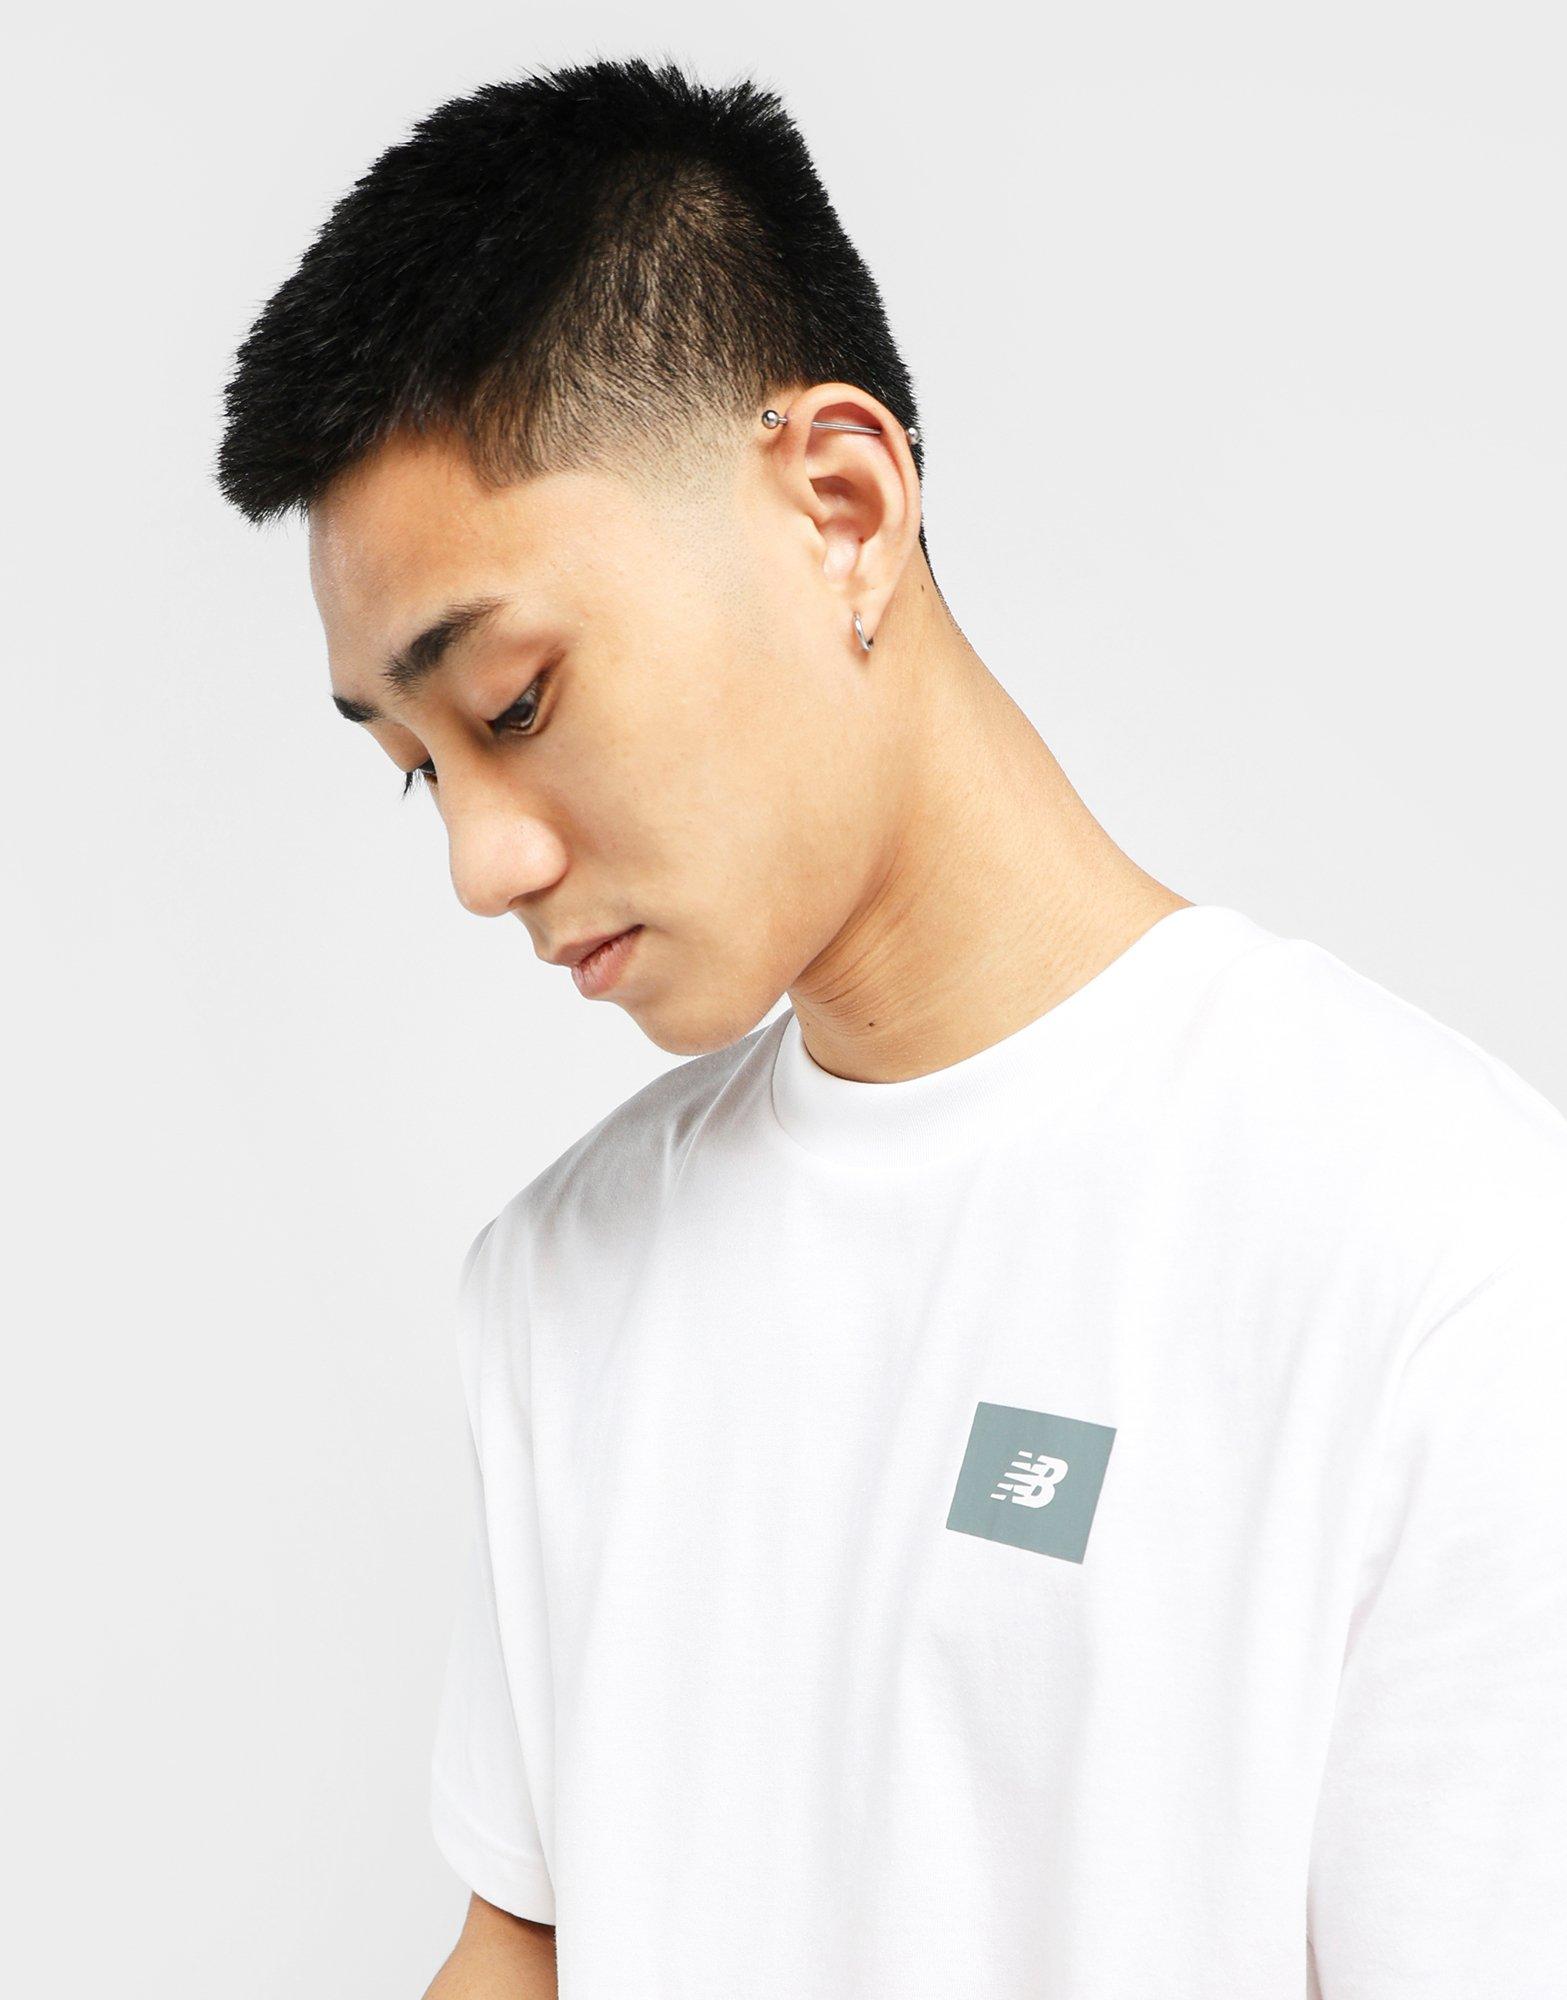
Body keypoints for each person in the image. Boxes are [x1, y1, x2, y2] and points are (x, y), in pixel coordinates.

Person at [216, 54, 1567, 2000]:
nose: (482, 861)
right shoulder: (560, 1276)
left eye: (512, 702)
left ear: (841, 508)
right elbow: (525, 1950)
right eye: (418, 768)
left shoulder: (1444, 1263)